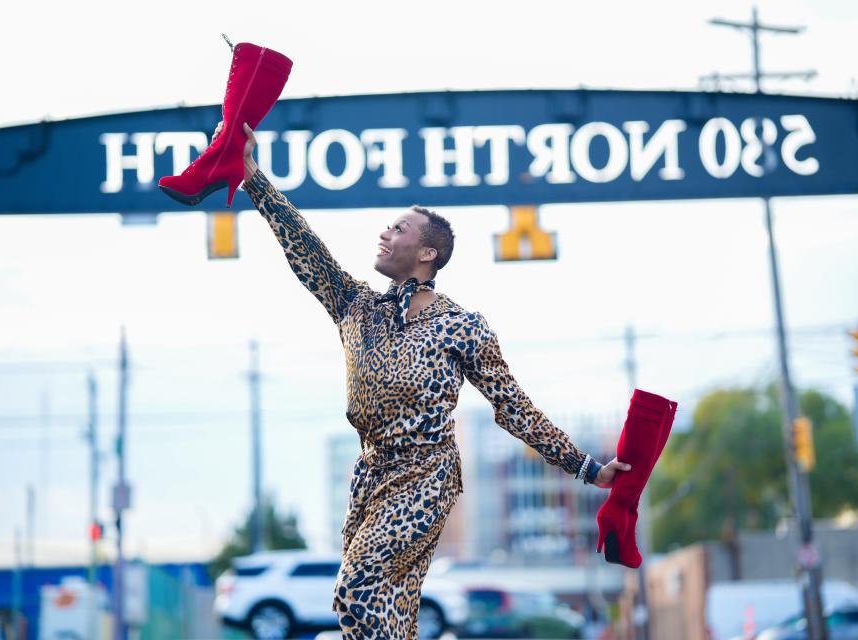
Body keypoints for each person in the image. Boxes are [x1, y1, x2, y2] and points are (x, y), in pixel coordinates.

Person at [226, 121, 630, 639]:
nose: (384, 233)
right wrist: (251, 174)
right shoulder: (356, 305)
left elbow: (515, 408)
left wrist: (587, 468)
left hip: (426, 475)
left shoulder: (462, 326)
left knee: (359, 587)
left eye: (398, 228)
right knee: (386, 618)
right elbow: (304, 245)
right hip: (370, 476)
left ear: (427, 253)